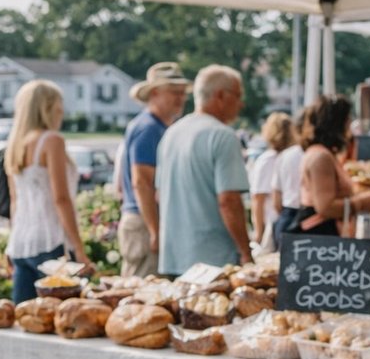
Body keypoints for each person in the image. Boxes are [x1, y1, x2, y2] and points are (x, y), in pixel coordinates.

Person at [3, 79, 94, 303]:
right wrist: (79, 250)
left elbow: (15, 202)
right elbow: (61, 199)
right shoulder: (51, 141)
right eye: (59, 106)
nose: (62, 112)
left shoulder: (15, 145)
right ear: (47, 108)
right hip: (51, 242)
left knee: (26, 319)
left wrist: (10, 243)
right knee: (60, 320)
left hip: (21, 245)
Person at [156, 65, 252, 275]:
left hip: (173, 258)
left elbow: (159, 193)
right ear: (220, 96)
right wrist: (246, 252)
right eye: (237, 95)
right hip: (213, 261)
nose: (241, 103)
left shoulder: (171, 134)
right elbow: (229, 201)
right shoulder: (223, 136)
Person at [119, 62, 191, 277]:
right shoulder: (149, 128)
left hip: (146, 218)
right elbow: (141, 182)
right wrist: (154, 230)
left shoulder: (156, 126)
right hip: (144, 221)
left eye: (182, 93)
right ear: (155, 93)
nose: (181, 98)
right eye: (174, 92)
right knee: (142, 294)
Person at [291, 96, 370, 236]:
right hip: (322, 237)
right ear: (337, 124)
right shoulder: (321, 157)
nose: (350, 125)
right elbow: (325, 207)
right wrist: (361, 203)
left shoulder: (322, 154)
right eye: (347, 120)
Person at [249, 112, 293, 251]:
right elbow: (258, 199)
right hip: (272, 225)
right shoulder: (269, 160)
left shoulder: (271, 159)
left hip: (278, 224)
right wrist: (259, 232)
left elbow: (257, 199)